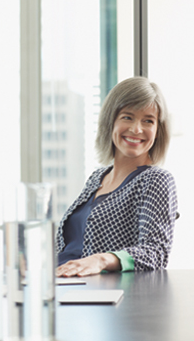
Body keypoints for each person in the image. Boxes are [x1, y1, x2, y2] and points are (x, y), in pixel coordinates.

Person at [55, 77, 178, 277]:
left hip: (101, 296)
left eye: (148, 120)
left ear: (158, 130)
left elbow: (156, 252)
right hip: (60, 284)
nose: (136, 129)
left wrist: (102, 259)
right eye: (127, 117)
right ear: (110, 121)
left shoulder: (156, 180)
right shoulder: (97, 177)